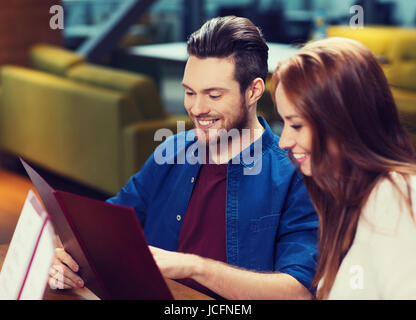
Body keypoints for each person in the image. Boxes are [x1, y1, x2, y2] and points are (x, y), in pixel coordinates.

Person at [49, 16, 318, 300]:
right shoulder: (171, 151)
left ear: (253, 91)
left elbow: (298, 293)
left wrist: (195, 267)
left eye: (213, 95)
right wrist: (67, 257)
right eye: (189, 92)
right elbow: (101, 231)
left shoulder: (295, 173)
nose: (197, 108)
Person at [272, 37, 416, 299]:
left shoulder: (393, 196)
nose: (284, 142)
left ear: (341, 121)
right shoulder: (345, 196)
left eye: (296, 125)